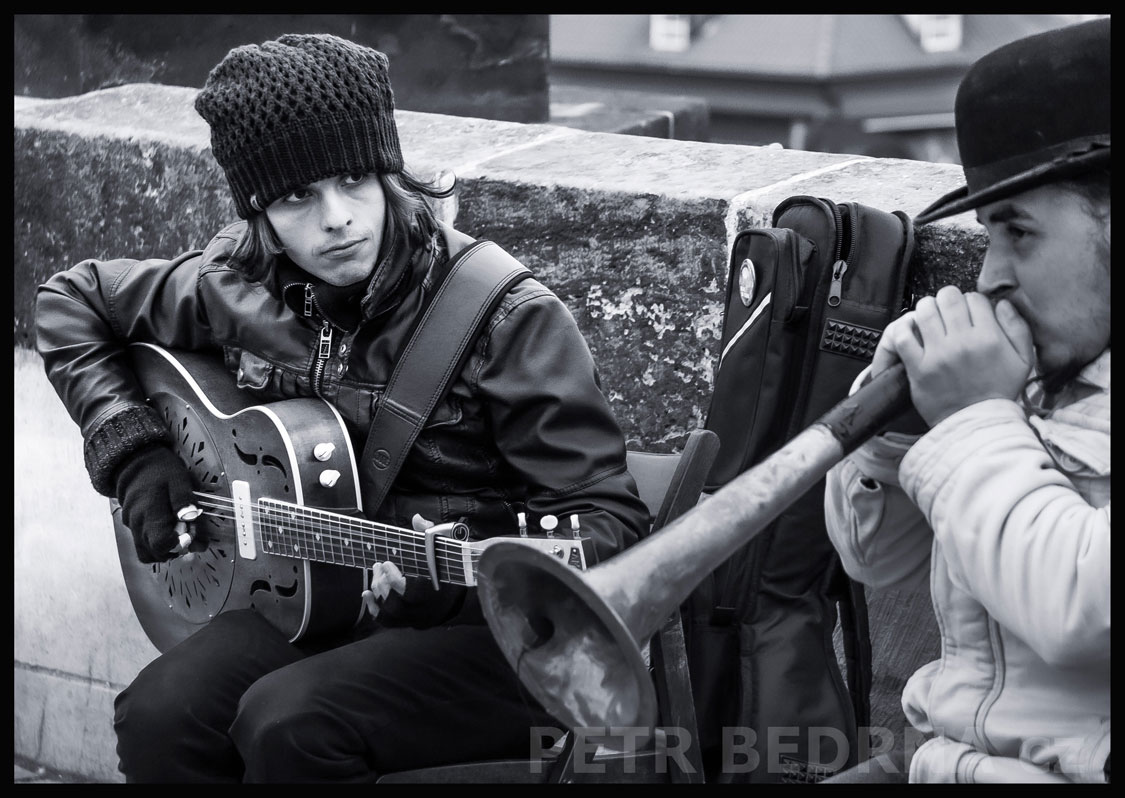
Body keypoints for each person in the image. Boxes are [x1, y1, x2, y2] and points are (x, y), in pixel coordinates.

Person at [34, 33, 649, 783]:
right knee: (161, 714)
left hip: (496, 635)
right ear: (260, 209)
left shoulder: (504, 317)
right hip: (325, 599)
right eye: (298, 196)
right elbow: (71, 300)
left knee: (290, 723)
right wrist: (134, 449)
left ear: (389, 175)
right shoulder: (236, 282)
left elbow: (609, 528)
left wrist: (456, 576)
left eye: (356, 180)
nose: (336, 218)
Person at [822, 18, 1109, 784]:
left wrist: (972, 422)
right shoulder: (1049, 361)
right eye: (986, 235)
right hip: (932, 762)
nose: (987, 277)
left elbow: (1083, 609)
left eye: (1018, 233)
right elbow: (876, 560)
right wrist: (893, 436)